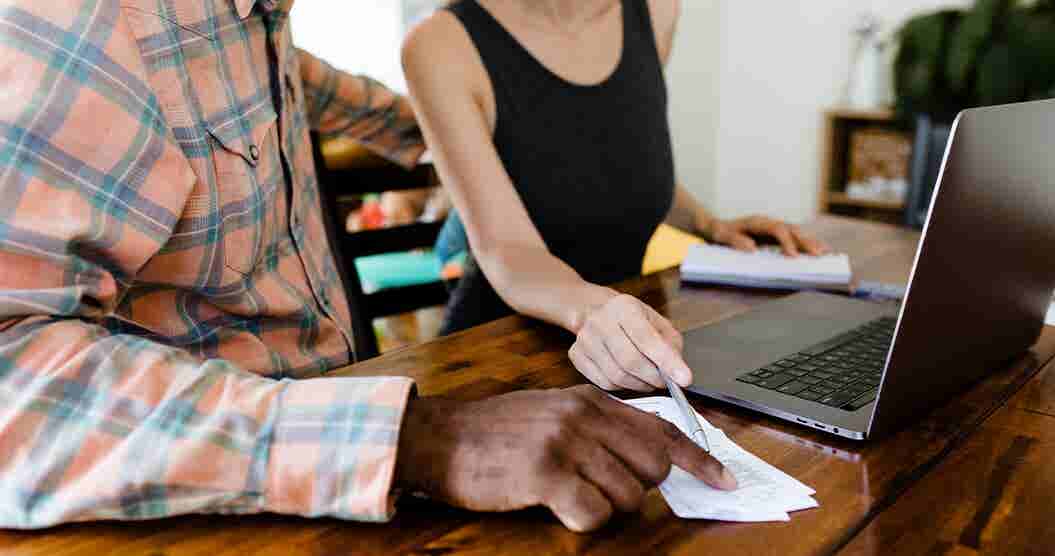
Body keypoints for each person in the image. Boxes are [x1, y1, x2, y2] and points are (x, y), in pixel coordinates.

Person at [0, 0, 734, 533]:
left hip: (355, 456)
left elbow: (395, 114)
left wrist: (477, 130)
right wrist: (414, 440)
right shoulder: (76, 24)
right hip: (195, 508)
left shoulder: (253, 23)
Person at [403, 0, 830, 394]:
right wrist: (594, 311)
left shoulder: (658, 10)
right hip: (498, 364)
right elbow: (508, 250)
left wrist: (710, 224)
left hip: (629, 353)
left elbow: (611, 167)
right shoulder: (439, 46)